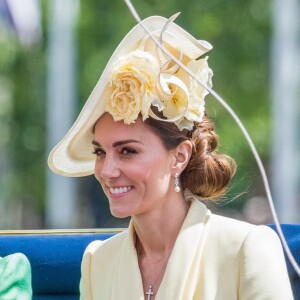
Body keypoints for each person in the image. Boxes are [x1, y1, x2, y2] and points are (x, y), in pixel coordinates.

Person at [48, 15, 294, 300]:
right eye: (100, 152)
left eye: (128, 151)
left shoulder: (246, 249)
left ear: (179, 156)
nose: (107, 170)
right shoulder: (98, 262)